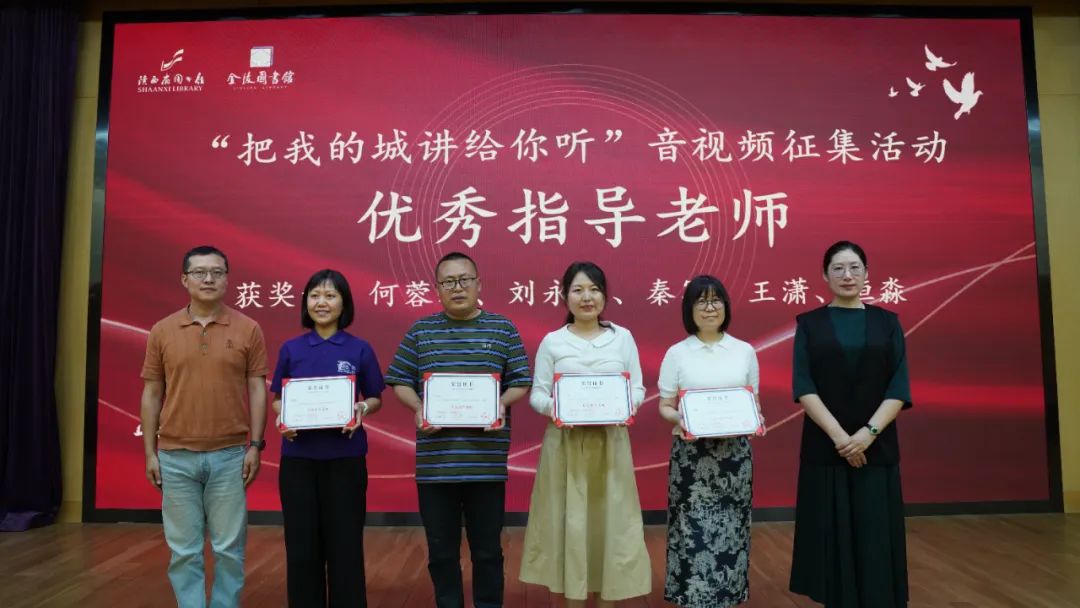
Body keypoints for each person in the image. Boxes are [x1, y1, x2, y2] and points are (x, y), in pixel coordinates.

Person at [384, 251, 531, 608]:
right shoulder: (421, 331)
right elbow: (399, 379)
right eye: (448, 282)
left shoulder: (502, 328)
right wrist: (418, 407)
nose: (457, 287)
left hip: (486, 464)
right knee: (441, 552)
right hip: (436, 466)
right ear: (437, 289)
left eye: (464, 279)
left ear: (479, 284)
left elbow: (521, 380)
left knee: (487, 551)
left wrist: (500, 403)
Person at [140, 245, 269, 608]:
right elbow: (152, 393)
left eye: (217, 272)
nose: (208, 279)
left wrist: (255, 446)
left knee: (229, 548)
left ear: (227, 279)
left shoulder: (248, 328)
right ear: (185, 279)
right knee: (184, 550)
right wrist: (150, 452)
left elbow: (257, 389)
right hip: (175, 457)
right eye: (199, 272)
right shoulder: (162, 330)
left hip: (230, 456)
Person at [788, 240, 913, 608]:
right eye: (838, 268)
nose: (847, 275)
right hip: (826, 447)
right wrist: (842, 439)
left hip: (877, 448)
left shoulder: (887, 323)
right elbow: (804, 386)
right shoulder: (809, 324)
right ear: (825, 275)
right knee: (831, 538)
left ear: (866, 274)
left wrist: (867, 435)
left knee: (876, 535)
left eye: (855, 267)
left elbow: (898, 387)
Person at [519, 261, 651, 606]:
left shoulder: (622, 338)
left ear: (605, 296)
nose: (586, 297)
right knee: (569, 524)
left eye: (594, 289)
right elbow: (537, 395)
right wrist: (562, 409)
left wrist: (623, 406)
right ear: (565, 296)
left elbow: (637, 389)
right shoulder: (552, 342)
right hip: (564, 446)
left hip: (610, 445)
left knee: (610, 524)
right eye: (578, 290)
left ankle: (609, 597)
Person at [270, 269, 384, 607]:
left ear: (344, 304)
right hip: (298, 462)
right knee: (301, 546)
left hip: (345, 460)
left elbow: (375, 397)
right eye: (315, 295)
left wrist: (362, 407)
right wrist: (282, 416)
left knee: (345, 545)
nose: (322, 302)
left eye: (331, 296)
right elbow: (278, 398)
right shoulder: (291, 349)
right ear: (305, 302)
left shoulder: (359, 349)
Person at [656, 275, 762, 607]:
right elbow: (665, 406)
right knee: (692, 533)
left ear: (726, 306)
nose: (710, 307)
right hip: (691, 457)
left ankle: (728, 596)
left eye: (716, 300)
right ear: (689, 309)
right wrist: (682, 418)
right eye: (701, 301)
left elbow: (753, 403)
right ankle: (691, 598)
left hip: (734, 458)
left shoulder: (744, 351)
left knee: (732, 531)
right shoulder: (677, 353)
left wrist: (754, 419)